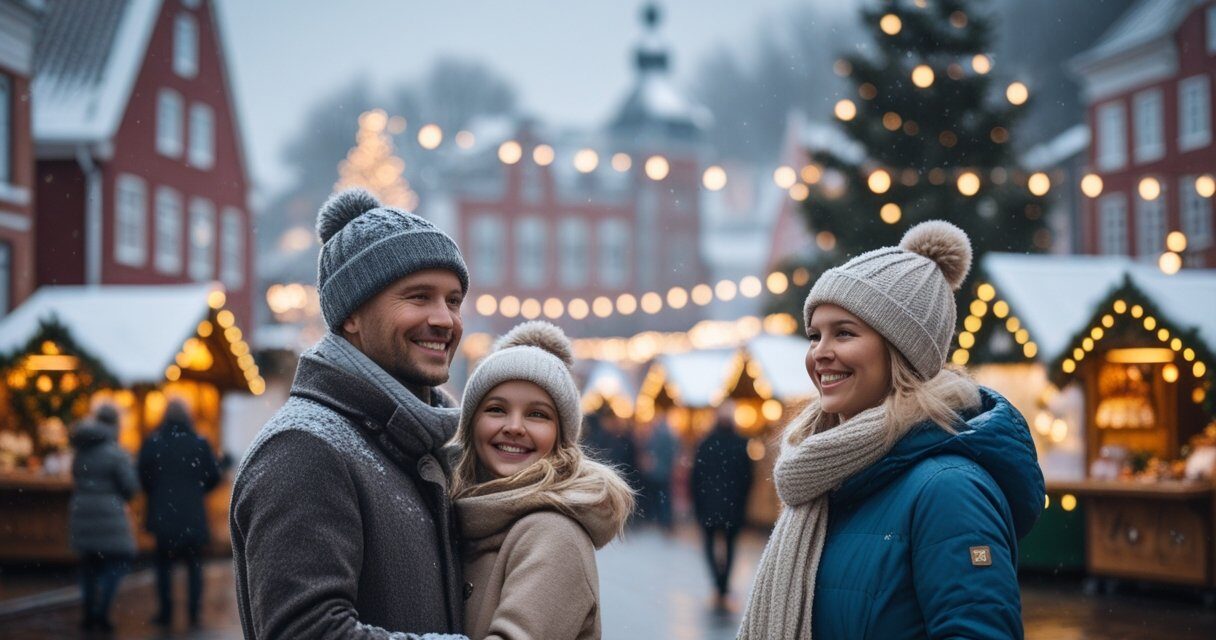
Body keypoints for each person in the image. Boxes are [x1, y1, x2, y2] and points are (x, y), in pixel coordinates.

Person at [738, 221, 1045, 639]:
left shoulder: (949, 489)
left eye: (843, 333)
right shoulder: (827, 478)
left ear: (902, 351)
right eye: (815, 335)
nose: (819, 354)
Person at [230, 188, 471, 639]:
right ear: (351, 316)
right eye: (419, 297)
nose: (445, 320)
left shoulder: (423, 441)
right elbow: (305, 632)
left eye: (453, 300)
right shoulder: (306, 448)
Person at [451, 321, 634, 640]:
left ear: (561, 437)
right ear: (470, 425)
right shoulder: (464, 515)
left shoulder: (553, 534)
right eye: (496, 409)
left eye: (537, 414)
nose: (514, 426)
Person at [138, 399, 220, 628]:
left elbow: (144, 477)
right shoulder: (199, 443)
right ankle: (194, 614)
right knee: (194, 567)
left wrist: (158, 494)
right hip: (192, 516)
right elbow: (214, 476)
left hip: (163, 515)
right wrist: (197, 491)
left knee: (163, 566)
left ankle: (165, 613)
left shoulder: (154, 442)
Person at [68, 404, 139, 632]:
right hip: (109, 512)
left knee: (88, 565)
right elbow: (130, 486)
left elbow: (75, 474)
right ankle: (103, 611)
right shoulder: (116, 453)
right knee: (117, 563)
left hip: (81, 510)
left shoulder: (81, 449)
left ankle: (89, 613)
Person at [690, 402, 753, 611]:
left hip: (709, 504)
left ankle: (719, 583)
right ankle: (723, 584)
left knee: (710, 544)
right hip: (732, 505)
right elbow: (748, 478)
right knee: (730, 545)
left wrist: (698, 502)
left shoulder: (706, 443)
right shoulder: (741, 443)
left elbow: (696, 476)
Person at [637, 417, 678, 531]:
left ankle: (660, 520)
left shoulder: (656, 438)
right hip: (663, 473)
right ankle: (664, 521)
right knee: (663, 498)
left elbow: (651, 454)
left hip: (657, 473)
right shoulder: (669, 438)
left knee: (659, 497)